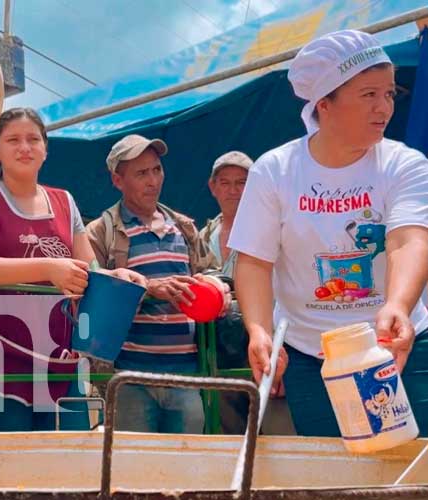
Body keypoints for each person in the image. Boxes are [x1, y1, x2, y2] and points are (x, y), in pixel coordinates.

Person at [228, 30, 428, 437]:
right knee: (333, 470)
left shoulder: (404, 164)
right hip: (312, 354)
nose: (384, 107)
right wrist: (260, 330)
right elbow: (254, 260)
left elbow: (408, 239)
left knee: (415, 468)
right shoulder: (275, 170)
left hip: (399, 344)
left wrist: (398, 305)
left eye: (389, 94)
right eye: (368, 94)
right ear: (324, 102)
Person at [0, 108, 146, 432]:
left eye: (33, 139)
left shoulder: (65, 201)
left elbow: (88, 269)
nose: (24, 147)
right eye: (13, 139)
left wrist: (116, 275)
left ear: (45, 149)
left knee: (69, 468)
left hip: (62, 361)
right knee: (10, 471)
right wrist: (47, 268)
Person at [86, 134, 228, 434]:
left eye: (157, 169)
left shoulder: (185, 227)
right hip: (128, 377)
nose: (153, 180)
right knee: (131, 470)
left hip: (186, 375)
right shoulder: (101, 232)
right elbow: (90, 293)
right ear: (117, 180)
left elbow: (216, 273)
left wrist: (212, 285)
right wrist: (148, 288)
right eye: (141, 173)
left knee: (186, 469)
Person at [200, 151, 295, 435]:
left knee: (278, 433)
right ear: (212, 187)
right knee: (230, 433)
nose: (234, 191)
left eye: (242, 183)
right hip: (220, 354)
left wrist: (285, 347)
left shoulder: (280, 230)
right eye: (226, 183)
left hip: (270, 345)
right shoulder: (202, 235)